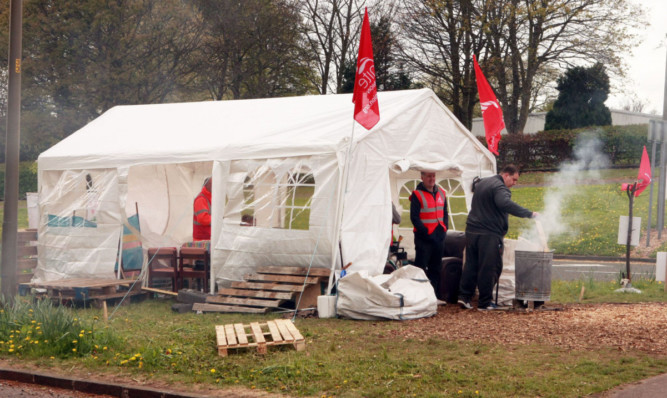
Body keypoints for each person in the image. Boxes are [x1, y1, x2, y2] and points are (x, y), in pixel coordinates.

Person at [458, 164, 538, 311]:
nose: (514, 183)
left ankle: (464, 297)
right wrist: (529, 214)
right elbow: (504, 203)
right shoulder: (500, 188)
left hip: (472, 230)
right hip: (489, 234)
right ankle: (484, 302)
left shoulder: (483, 183)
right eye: (513, 180)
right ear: (506, 175)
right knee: (489, 267)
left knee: (471, 264)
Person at [410, 171, 448, 292]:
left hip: (439, 236)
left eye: (433, 176)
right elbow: (414, 217)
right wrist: (425, 232)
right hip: (424, 238)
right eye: (428, 176)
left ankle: (433, 295)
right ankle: (419, 294)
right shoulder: (417, 194)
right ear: (422, 178)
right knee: (420, 268)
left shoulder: (442, 193)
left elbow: (445, 213)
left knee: (436, 268)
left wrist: (444, 228)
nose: (432, 179)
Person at [193, 177, 212, 241]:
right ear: (206, 185)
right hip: (201, 240)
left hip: (208, 237)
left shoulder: (211, 197)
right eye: (212, 184)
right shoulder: (201, 199)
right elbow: (202, 219)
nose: (214, 185)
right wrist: (218, 220)